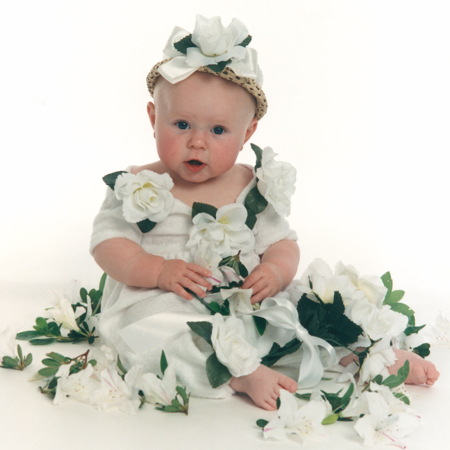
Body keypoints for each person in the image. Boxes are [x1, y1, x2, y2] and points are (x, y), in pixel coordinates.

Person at [90, 16, 439, 411]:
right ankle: (238, 372)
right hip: (163, 298)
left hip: (244, 298)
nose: (198, 142)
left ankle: (363, 354)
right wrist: (156, 270)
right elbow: (107, 244)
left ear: (248, 134)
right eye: (182, 124)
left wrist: (274, 271)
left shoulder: (250, 186)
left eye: (218, 130)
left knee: (300, 316)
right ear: (154, 118)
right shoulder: (135, 185)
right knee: (151, 337)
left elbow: (281, 244)